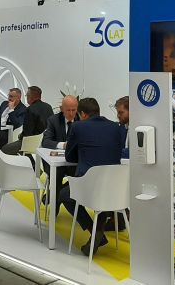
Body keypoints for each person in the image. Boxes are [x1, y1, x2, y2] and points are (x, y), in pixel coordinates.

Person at [59, 97, 123, 257]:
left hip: (89, 186)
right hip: (115, 188)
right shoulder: (116, 127)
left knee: (65, 195)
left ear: (83, 114)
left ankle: (93, 230)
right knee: (102, 193)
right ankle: (98, 230)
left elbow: (69, 157)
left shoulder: (78, 126)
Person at [41, 95, 79, 212]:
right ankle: (54, 210)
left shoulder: (81, 121)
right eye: (68, 110)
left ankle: (55, 195)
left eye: (74, 110)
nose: (71, 113)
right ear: (62, 109)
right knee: (56, 175)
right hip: (55, 163)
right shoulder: (53, 120)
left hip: (73, 162)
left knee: (81, 176)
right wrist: (63, 145)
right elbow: (46, 142)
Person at [2, 86, 53, 155]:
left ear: (30, 97)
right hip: (46, 142)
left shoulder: (30, 109)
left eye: (26, 95)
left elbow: (27, 133)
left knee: (5, 149)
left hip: (31, 143)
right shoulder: (48, 107)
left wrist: (20, 136)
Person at [0, 88, 27, 173]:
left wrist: (11, 110)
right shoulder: (4, 104)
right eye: (8, 96)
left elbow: (17, 124)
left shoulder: (23, 109)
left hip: (8, 133)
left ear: (19, 97)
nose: (9, 98)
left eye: (11, 96)